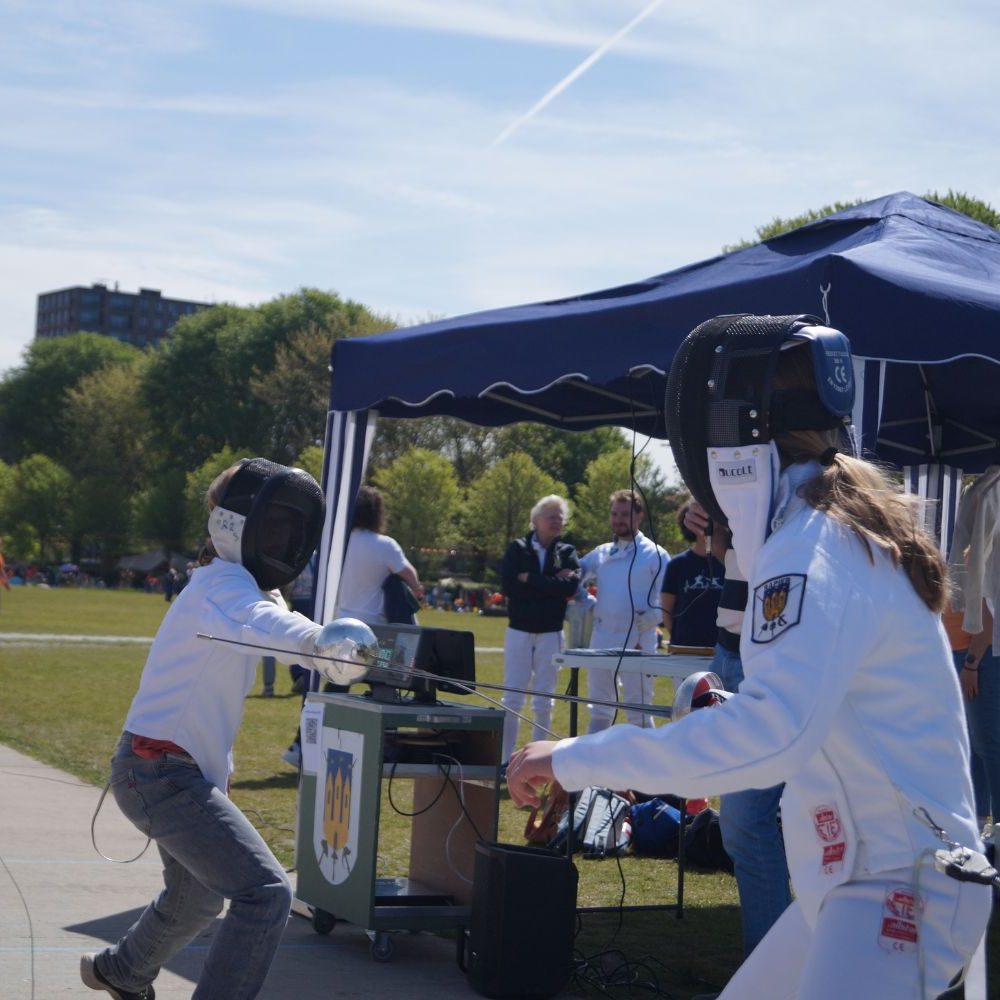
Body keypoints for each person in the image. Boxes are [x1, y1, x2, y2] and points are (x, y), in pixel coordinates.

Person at [508, 314, 990, 1000]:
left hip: (896, 891)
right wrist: (729, 710)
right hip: (862, 882)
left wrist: (571, 759)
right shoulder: (837, 527)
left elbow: (773, 741)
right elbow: (824, 713)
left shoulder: (812, 541)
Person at [81, 458, 329, 1000]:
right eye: (275, 525)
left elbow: (270, 620)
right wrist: (319, 644)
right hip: (157, 772)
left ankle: (122, 970)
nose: (284, 538)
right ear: (234, 522)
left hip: (168, 772)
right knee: (265, 894)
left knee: (195, 899)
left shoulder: (239, 588)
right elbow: (268, 623)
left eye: (292, 528)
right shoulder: (223, 586)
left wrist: (328, 642)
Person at [684, 500, 792, 972]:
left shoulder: (791, 490)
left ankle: (770, 972)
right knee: (743, 827)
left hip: (762, 659)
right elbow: (725, 551)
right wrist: (709, 518)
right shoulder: (745, 482)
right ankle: (771, 968)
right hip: (728, 654)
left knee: (747, 825)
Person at [282, 484, 421, 768]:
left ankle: (301, 746)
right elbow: (408, 574)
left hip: (342, 633)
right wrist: (416, 590)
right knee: (386, 691)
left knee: (331, 696)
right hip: (377, 637)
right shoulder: (384, 545)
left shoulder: (335, 544)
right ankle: (384, 748)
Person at [499, 495, 580, 766]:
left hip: (551, 632)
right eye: (551, 516)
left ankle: (540, 763)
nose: (557, 521)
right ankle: (503, 760)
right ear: (536, 520)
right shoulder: (517, 549)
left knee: (545, 699)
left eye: (560, 516)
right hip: (519, 631)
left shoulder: (567, 552)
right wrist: (550, 584)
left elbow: (569, 588)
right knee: (512, 696)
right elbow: (510, 587)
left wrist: (531, 580)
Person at [578, 489, 669, 731]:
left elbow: (670, 596)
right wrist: (588, 603)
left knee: (638, 709)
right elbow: (574, 575)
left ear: (639, 516)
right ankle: (594, 765)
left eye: (625, 514)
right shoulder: (602, 553)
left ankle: (644, 767)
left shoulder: (655, 554)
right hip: (603, 636)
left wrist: (653, 617)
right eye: (614, 514)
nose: (618, 519)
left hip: (639, 639)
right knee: (599, 708)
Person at [659, 501, 723, 648]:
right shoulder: (677, 565)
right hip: (685, 648)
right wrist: (677, 636)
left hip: (721, 650)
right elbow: (666, 609)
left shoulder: (730, 562)